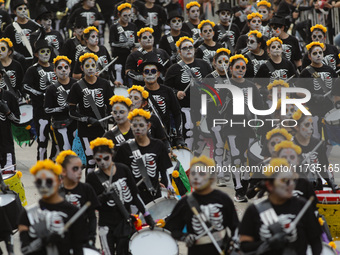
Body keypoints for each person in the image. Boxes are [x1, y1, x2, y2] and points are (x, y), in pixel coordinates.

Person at [239, 158, 322, 255]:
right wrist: (267, 244)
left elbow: (316, 243)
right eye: (285, 180)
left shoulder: (303, 206)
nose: (291, 185)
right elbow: (244, 246)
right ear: (269, 185)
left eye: (292, 180)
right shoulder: (254, 211)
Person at [87, 137, 155, 255]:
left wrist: (147, 215)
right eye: (98, 160)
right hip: (106, 224)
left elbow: (135, 195)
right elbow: (90, 205)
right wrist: (102, 198)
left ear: (112, 154)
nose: (103, 162)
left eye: (106, 158)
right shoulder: (92, 177)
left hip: (124, 221)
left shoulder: (123, 169)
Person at [165, 155, 239, 255]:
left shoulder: (223, 199)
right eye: (193, 173)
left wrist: (235, 243)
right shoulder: (185, 203)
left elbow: (236, 226)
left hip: (222, 249)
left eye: (202, 173)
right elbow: (172, 228)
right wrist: (184, 236)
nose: (196, 177)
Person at [18, 159, 85, 255]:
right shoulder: (27, 215)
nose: (44, 186)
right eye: (39, 182)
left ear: (59, 181)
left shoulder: (73, 212)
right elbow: (25, 249)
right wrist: (42, 241)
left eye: (49, 181)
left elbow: (79, 249)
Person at [115, 108, 173, 204]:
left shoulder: (158, 145)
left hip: (154, 194)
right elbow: (119, 173)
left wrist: (168, 188)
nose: (137, 129)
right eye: (134, 125)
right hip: (133, 197)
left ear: (148, 126)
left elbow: (164, 171)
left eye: (141, 125)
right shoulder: (125, 148)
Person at [68, 52, 113, 174]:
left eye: (93, 65)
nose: (91, 68)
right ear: (82, 68)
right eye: (87, 66)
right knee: (91, 161)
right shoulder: (77, 87)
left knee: (102, 160)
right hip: (85, 130)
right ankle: (90, 189)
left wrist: (112, 117)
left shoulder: (105, 84)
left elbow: (111, 106)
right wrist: (87, 119)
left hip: (102, 129)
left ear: (97, 66)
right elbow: (71, 112)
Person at [226, 54, 263, 202]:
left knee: (248, 157)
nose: (240, 70)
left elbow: (260, 106)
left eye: (243, 68)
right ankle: (238, 188)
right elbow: (217, 108)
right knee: (236, 157)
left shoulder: (250, 85)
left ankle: (245, 183)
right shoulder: (225, 85)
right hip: (231, 126)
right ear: (231, 69)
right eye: (237, 67)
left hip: (249, 126)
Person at [165, 36, 212, 148]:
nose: (188, 50)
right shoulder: (173, 69)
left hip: (202, 107)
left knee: (203, 137)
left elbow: (212, 84)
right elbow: (166, 89)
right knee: (188, 134)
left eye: (190, 47)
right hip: (184, 108)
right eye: (185, 48)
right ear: (179, 52)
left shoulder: (204, 65)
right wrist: (176, 92)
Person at [56, 150, 100, 248]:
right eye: (75, 169)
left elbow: (92, 217)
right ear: (63, 171)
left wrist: (92, 237)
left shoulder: (87, 189)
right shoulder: (56, 193)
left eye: (81, 168)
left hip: (82, 238)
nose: (80, 172)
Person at [23, 39, 57, 161]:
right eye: (43, 51)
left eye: (48, 51)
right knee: (42, 140)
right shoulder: (33, 69)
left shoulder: (55, 67)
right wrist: (40, 94)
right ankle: (41, 164)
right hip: (40, 110)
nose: (46, 54)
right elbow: (25, 86)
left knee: (57, 141)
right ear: (37, 54)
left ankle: (53, 162)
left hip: (55, 111)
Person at [140, 52, 184, 147]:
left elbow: (177, 113)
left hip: (165, 136)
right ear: (143, 75)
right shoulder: (138, 93)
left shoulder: (168, 91)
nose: (150, 74)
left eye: (153, 71)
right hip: (144, 137)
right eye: (147, 71)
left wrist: (179, 136)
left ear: (158, 74)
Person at [298, 41, 337, 139]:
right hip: (313, 110)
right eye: (315, 53)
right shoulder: (305, 72)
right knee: (316, 137)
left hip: (330, 109)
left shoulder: (330, 70)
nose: (318, 55)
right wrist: (313, 96)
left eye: (320, 52)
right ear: (310, 56)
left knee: (331, 138)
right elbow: (298, 91)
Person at [292, 109, 336, 192]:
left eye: (311, 124)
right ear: (296, 127)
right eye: (307, 125)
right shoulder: (290, 146)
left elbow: (324, 167)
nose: (311, 128)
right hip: (298, 188)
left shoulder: (317, 143)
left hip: (318, 187)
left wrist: (329, 182)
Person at [44, 56, 77, 151]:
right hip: (60, 123)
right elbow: (47, 109)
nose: (63, 70)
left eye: (66, 67)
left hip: (75, 123)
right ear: (55, 70)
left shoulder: (77, 84)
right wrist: (62, 108)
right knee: (65, 150)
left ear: (70, 69)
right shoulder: (51, 89)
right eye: (60, 68)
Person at [4, 0, 40, 71]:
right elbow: (6, 45)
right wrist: (16, 55)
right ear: (14, 11)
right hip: (17, 62)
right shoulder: (10, 28)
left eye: (25, 9)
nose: (23, 11)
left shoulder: (34, 25)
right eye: (20, 9)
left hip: (32, 61)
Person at [109, 3, 137, 84]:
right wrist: (125, 44)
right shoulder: (114, 27)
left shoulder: (133, 26)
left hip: (130, 58)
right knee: (119, 80)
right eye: (125, 15)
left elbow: (136, 42)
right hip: (118, 57)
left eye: (129, 15)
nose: (128, 18)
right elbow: (112, 43)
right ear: (119, 15)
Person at [0, 87, 20, 170]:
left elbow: (17, 120)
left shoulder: (9, 96)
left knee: (9, 176)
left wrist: (8, 112)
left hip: (6, 144)